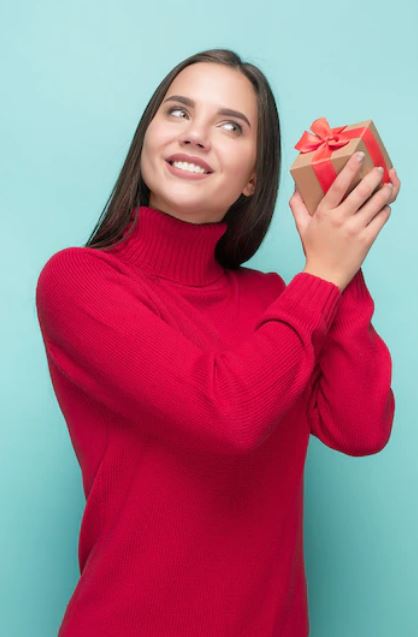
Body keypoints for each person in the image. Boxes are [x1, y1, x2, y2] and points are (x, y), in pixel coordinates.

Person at [35, 48, 400, 636]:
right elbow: (226, 413)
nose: (197, 135)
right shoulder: (80, 282)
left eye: (231, 125)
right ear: (148, 135)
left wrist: (342, 259)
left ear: (256, 173)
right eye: (178, 112)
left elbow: (359, 429)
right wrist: (322, 278)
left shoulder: (281, 300)